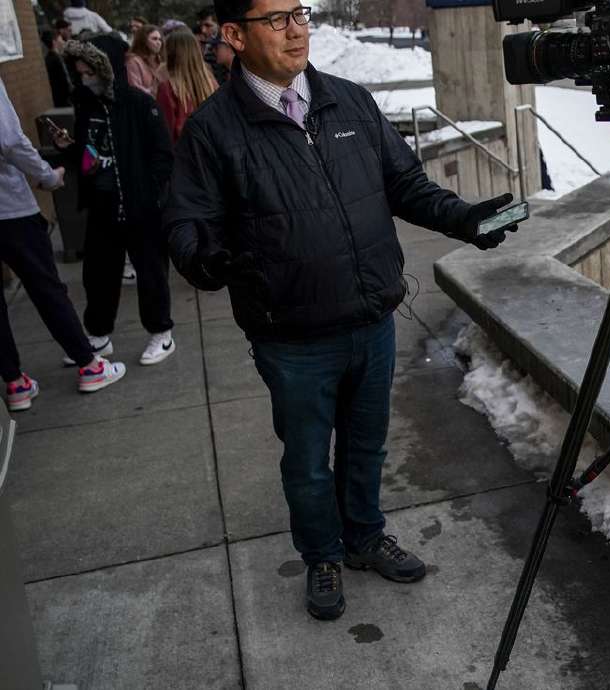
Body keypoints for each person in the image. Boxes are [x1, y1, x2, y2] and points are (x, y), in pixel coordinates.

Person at [164, 0, 520, 622]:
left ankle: (363, 537)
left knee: (366, 447)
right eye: (276, 19)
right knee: (306, 461)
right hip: (293, 336)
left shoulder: (349, 100)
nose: (297, 27)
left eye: (299, 12)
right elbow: (188, 222)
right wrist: (209, 260)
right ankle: (322, 554)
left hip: (371, 320)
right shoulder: (214, 129)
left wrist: (464, 220)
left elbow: (405, 184)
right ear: (233, 36)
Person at [0, 78, 126, 410]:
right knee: (46, 287)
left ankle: (14, 383)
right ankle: (89, 364)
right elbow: (11, 141)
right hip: (9, 208)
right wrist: (46, 174)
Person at [59, 40, 177, 367]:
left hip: (140, 206)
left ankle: (160, 332)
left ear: (106, 69)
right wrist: (72, 150)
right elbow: (89, 155)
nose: (85, 79)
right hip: (102, 205)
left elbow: (163, 155)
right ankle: (98, 334)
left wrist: (149, 193)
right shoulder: (87, 106)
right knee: (98, 274)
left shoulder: (138, 104)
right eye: (80, 73)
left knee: (150, 272)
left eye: (90, 72)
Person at [156, 31, 216, 143]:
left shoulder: (168, 88)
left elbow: (165, 132)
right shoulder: (211, 83)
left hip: (182, 154)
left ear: (171, 53)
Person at [126, 24, 165, 96]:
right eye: (154, 39)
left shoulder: (161, 61)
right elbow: (135, 88)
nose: (159, 42)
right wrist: (154, 91)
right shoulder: (134, 61)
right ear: (144, 41)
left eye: (160, 39)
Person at [41, 30, 73, 107]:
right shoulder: (54, 59)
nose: (62, 42)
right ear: (54, 42)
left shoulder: (54, 58)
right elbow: (63, 81)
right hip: (63, 100)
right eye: (60, 40)